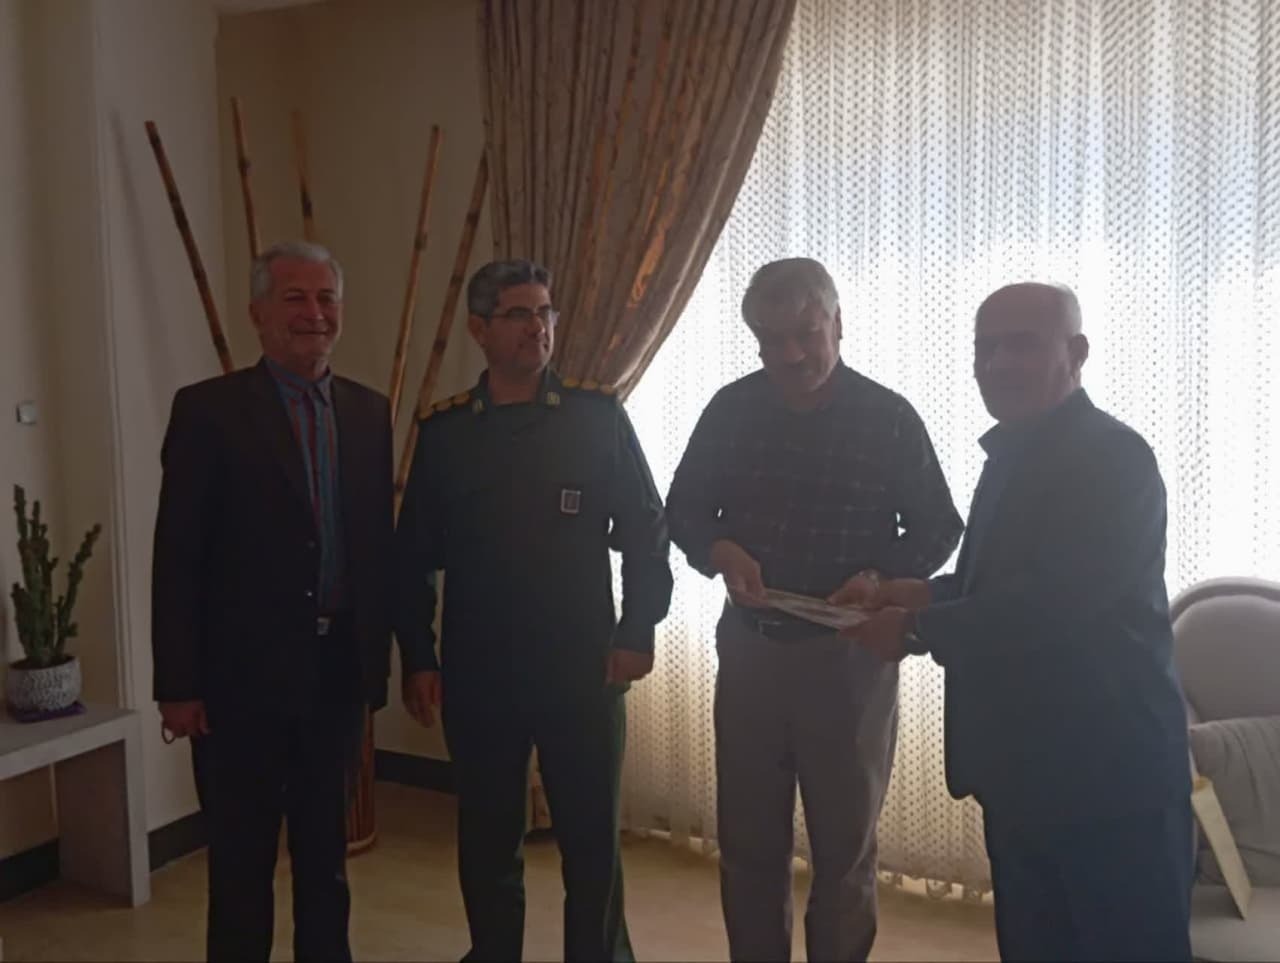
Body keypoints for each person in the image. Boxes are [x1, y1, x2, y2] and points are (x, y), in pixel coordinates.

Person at [842, 282, 1193, 962]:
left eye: (1021, 345)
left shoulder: (1113, 457)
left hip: (1109, 783)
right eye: (986, 348)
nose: (998, 363)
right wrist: (910, 592)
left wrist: (915, 631)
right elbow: (999, 587)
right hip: (1023, 778)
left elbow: (1057, 603)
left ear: (1077, 353)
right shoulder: (1014, 453)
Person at [666, 258, 963, 962]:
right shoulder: (731, 409)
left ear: (838, 323)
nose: (791, 355)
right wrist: (720, 549)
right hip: (752, 651)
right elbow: (681, 510)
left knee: (845, 848)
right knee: (748, 844)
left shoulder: (888, 417)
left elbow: (939, 527)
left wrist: (880, 579)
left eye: (806, 334)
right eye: (771, 340)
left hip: (849, 658)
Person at [394, 258, 673, 962]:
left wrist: (638, 627)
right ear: (479, 329)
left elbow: (646, 529)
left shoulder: (595, 417)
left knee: (590, 840)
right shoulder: (446, 432)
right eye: (519, 314)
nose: (537, 328)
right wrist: (418, 655)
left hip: (582, 665)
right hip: (480, 669)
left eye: (545, 312)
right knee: (488, 837)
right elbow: (413, 555)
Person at [151, 241, 394, 962]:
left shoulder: (368, 413)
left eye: (326, 298)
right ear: (258, 312)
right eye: (295, 298)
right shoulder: (208, 411)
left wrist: (380, 663)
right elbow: (178, 555)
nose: (314, 313)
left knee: (326, 862)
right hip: (238, 682)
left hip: (336, 674)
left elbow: (374, 546)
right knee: (241, 867)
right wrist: (177, 684)